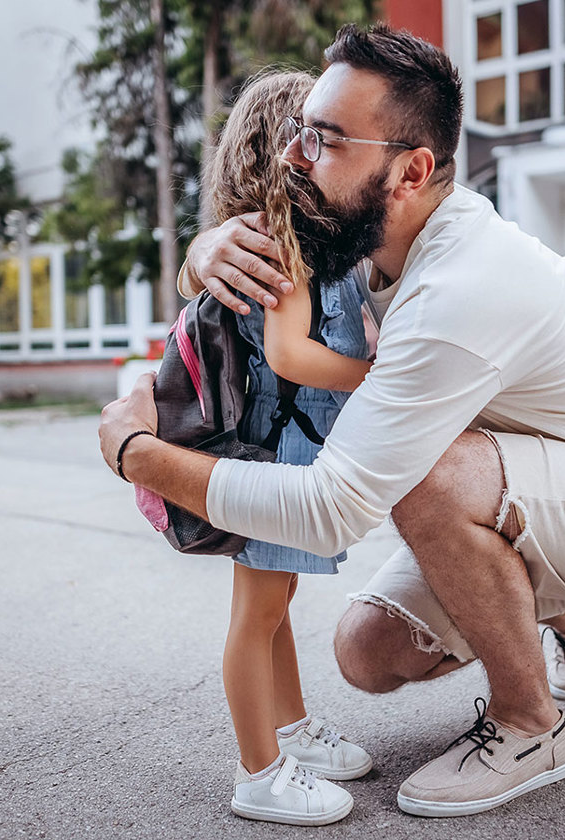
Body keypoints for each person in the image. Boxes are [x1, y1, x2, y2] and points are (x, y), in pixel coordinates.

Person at [100, 24, 565, 818]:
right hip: (542, 472)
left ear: (411, 170)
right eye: (298, 133)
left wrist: (137, 453)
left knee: (423, 475)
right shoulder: (372, 232)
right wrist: (207, 248)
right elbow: (270, 265)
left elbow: (331, 508)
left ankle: (531, 725)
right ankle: (561, 600)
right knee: (366, 653)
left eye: (323, 140)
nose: (296, 156)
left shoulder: (460, 285)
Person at [192, 70, 375, 827]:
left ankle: (292, 728)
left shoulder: (301, 237)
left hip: (285, 450)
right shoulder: (284, 241)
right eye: (317, 131)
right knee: (256, 613)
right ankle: (258, 771)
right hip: (276, 454)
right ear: (289, 147)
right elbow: (291, 354)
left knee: (275, 604)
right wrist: (377, 376)